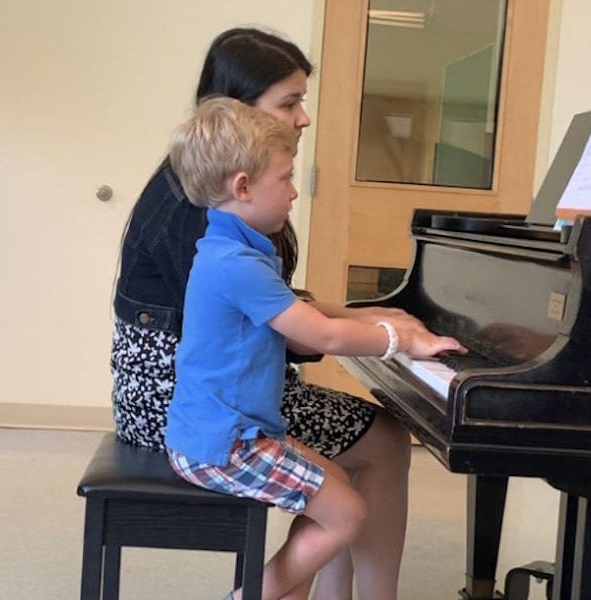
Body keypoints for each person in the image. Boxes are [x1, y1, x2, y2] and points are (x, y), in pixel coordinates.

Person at [111, 28, 429, 599]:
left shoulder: (224, 191)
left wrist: (369, 316)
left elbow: (276, 300)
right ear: (238, 106)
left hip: (211, 391)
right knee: (381, 439)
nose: (303, 117)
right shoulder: (198, 207)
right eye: (288, 102)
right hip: (184, 405)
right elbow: (289, 328)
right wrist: (380, 333)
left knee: (357, 454)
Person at [165, 97, 462, 600]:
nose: (295, 191)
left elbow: (305, 311)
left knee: (336, 485)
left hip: (235, 432)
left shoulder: (232, 248)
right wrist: (401, 339)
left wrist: (366, 315)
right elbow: (316, 336)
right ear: (242, 186)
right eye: (285, 179)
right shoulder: (235, 263)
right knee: (347, 513)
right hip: (226, 445)